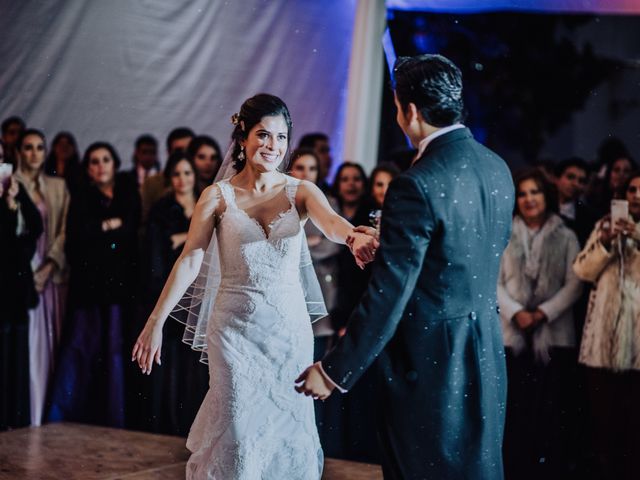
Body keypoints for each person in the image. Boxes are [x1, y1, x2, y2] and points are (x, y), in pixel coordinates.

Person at [131, 93, 376, 479]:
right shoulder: (217, 196)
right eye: (263, 135)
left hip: (288, 332)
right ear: (243, 137)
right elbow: (191, 258)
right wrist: (156, 321)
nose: (272, 146)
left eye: (280, 137)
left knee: (284, 431)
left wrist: (353, 238)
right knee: (239, 430)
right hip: (232, 331)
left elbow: (332, 223)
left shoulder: (302, 191)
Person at [296, 54, 515, 480]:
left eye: (397, 106)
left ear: (410, 111)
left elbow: (390, 293)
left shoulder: (416, 182)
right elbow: (469, 256)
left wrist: (334, 370)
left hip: (431, 363)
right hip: (485, 349)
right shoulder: (497, 167)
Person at [497, 169, 582, 480]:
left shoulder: (567, 235)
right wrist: (517, 312)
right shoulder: (502, 232)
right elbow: (492, 281)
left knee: (549, 415)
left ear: (546, 196)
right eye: (522, 193)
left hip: (554, 336)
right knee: (513, 415)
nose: (529, 199)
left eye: (535, 192)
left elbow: (575, 283)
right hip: (511, 334)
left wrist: (542, 313)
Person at [48, 142, 140, 427]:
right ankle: (65, 414)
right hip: (88, 288)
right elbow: (78, 239)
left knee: (114, 352)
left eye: (105, 160)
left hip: (120, 288)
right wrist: (111, 228)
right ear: (88, 168)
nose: (100, 166)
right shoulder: (83, 196)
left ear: (114, 164)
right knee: (80, 349)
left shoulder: (128, 193)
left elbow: (131, 229)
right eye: (94, 162)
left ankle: (113, 416)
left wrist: (102, 230)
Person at [573, 171, 640, 480]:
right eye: (633, 189)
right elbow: (582, 271)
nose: (637, 195)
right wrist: (605, 242)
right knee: (604, 428)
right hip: (602, 345)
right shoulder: (604, 225)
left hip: (638, 347)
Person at [140, 151, 208, 434]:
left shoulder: (206, 204)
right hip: (173, 290)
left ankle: (192, 425)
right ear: (170, 178)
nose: (182, 180)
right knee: (172, 365)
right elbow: (157, 255)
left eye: (187, 173)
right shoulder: (162, 208)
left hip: (203, 293)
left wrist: (180, 239)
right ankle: (169, 425)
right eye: (177, 174)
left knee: (197, 364)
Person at [14, 129, 70, 426]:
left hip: (52, 272)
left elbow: (64, 229)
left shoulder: (58, 186)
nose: (34, 152)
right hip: (23, 272)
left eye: (39, 147)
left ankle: (47, 415)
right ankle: (29, 414)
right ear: (19, 152)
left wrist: (49, 265)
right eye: (28, 147)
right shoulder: (10, 184)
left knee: (52, 344)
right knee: (30, 346)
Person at [0, 166, 43, 430]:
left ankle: (14, 419)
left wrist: (13, 201)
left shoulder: (12, 185)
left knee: (14, 352)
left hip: (14, 285)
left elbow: (35, 227)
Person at [141, 127, 195, 221]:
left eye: (189, 150)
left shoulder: (205, 180)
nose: (184, 155)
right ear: (168, 153)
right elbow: (143, 222)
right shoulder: (152, 183)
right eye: (179, 150)